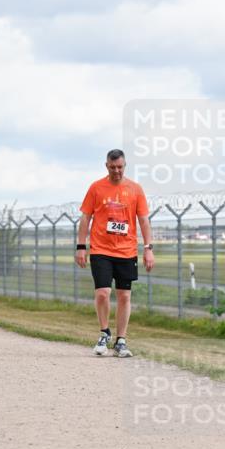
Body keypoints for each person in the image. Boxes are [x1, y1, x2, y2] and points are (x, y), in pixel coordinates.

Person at [74, 149, 154, 357]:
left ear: (125, 166)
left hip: (126, 251)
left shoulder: (135, 189)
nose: (116, 171)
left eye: (120, 167)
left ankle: (121, 340)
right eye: (112, 167)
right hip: (101, 249)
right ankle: (104, 333)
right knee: (102, 293)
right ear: (106, 166)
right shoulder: (96, 188)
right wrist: (81, 246)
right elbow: (85, 218)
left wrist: (148, 248)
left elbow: (143, 220)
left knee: (124, 296)